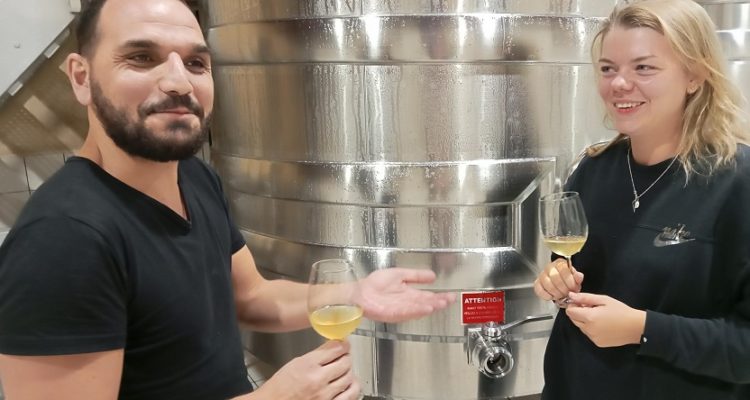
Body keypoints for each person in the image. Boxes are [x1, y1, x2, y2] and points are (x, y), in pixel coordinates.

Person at [0, 0, 454, 399]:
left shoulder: (194, 178)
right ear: (81, 77)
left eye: (197, 64)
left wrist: (353, 293)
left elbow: (251, 296)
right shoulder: (62, 242)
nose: (179, 82)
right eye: (142, 57)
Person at [533, 0, 750, 399]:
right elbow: (575, 275)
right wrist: (557, 281)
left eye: (643, 67)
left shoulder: (737, 182)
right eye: (608, 68)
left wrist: (643, 329)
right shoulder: (594, 169)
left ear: (695, 75)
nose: (619, 84)